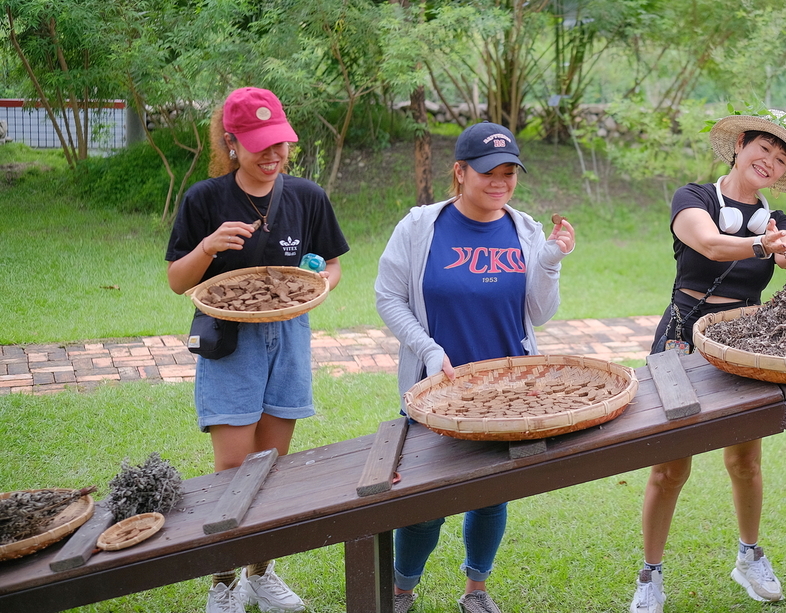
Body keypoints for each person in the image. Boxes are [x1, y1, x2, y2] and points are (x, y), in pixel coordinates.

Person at [630, 110, 786, 613]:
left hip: (744, 345)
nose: (769, 162)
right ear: (739, 147)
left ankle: (749, 556)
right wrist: (763, 245)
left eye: (780, 158)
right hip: (683, 337)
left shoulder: (778, 222)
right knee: (670, 467)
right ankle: (650, 574)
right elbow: (707, 242)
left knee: (746, 460)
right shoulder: (694, 198)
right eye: (763, 149)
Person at [374, 122, 575, 613]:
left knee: (490, 497)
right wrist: (425, 347)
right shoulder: (421, 227)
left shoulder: (524, 229)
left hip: (507, 393)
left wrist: (548, 261)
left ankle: (476, 591)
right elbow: (388, 296)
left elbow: (540, 314)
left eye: (509, 173)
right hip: (436, 389)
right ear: (460, 172)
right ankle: (401, 591)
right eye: (488, 172)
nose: (499, 183)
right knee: (423, 506)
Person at [166, 87, 349, 613]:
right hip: (229, 344)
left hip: (289, 338)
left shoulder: (307, 197)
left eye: (280, 145)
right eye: (259, 146)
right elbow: (179, 282)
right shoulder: (205, 199)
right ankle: (224, 583)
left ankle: (261, 574)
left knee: (270, 469)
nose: (272, 157)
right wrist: (207, 247)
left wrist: (319, 281)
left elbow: (332, 265)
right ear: (232, 142)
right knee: (232, 472)